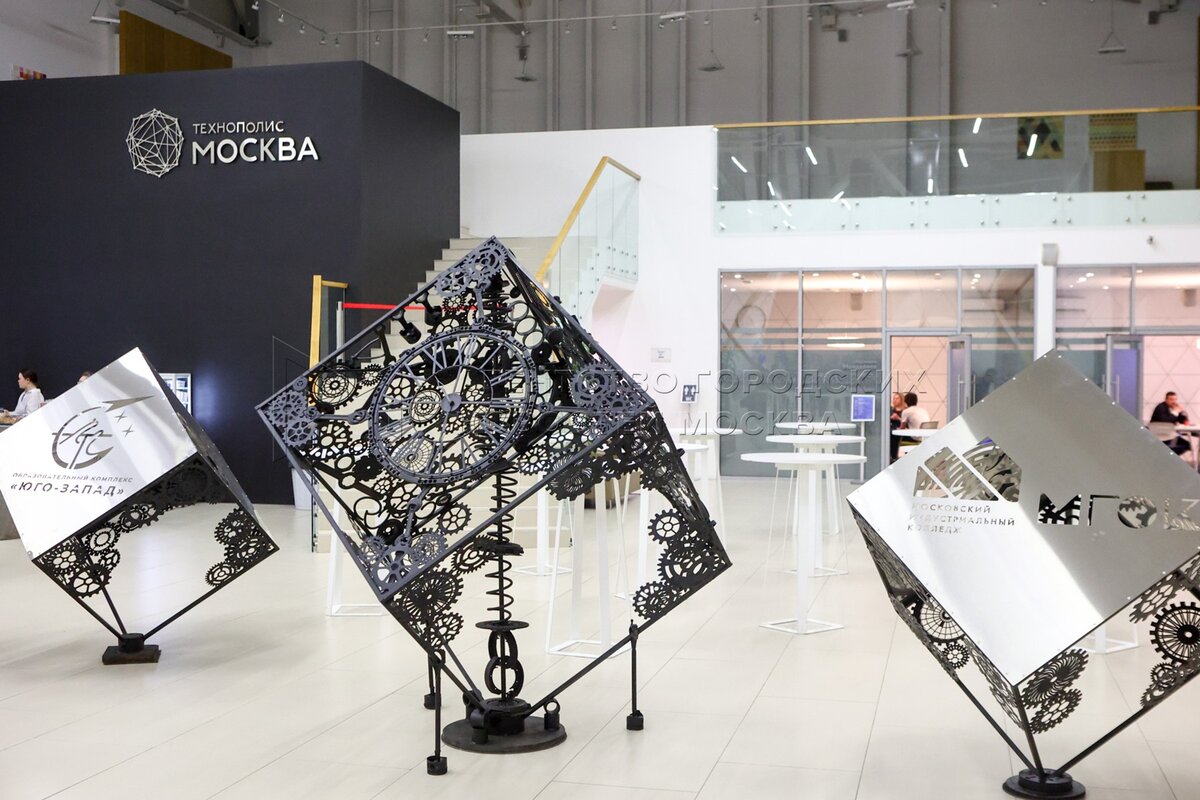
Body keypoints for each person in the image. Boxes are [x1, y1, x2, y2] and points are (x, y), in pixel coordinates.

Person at [1150, 391, 1191, 456]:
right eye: (1171, 399)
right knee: (1185, 445)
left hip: (1169, 435)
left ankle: (1167, 457)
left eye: (1175, 399)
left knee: (1188, 445)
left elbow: (1182, 421)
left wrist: (1181, 412)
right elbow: (1165, 420)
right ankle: (1167, 457)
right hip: (1161, 435)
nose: (1173, 402)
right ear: (1166, 400)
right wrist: (1175, 412)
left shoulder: (1173, 408)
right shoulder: (1160, 407)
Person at [889, 391, 905, 462]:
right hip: (892, 430)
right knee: (891, 434)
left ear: (901, 399)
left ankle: (894, 457)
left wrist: (898, 418)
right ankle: (892, 457)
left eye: (897, 398)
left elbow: (906, 423)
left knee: (894, 436)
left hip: (902, 431)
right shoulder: (891, 410)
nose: (895, 400)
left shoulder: (905, 410)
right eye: (894, 398)